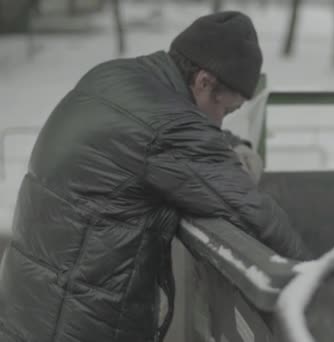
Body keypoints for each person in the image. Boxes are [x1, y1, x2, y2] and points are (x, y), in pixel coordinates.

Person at [0, 11, 310, 342]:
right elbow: (252, 212)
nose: (220, 124)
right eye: (227, 111)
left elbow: (189, 133)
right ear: (203, 81)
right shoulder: (168, 128)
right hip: (77, 325)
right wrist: (324, 286)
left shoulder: (114, 78)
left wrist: (231, 147)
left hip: (29, 308)